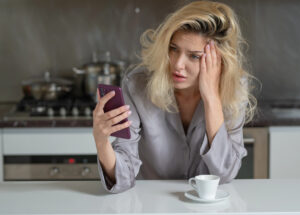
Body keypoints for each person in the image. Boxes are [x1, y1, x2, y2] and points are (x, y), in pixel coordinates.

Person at [92, 0, 256, 193]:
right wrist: (101, 142)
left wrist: (212, 98)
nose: (178, 64)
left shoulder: (233, 89)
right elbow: (123, 177)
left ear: (219, 60)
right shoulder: (137, 86)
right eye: (173, 48)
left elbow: (225, 174)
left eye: (194, 56)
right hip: (153, 205)